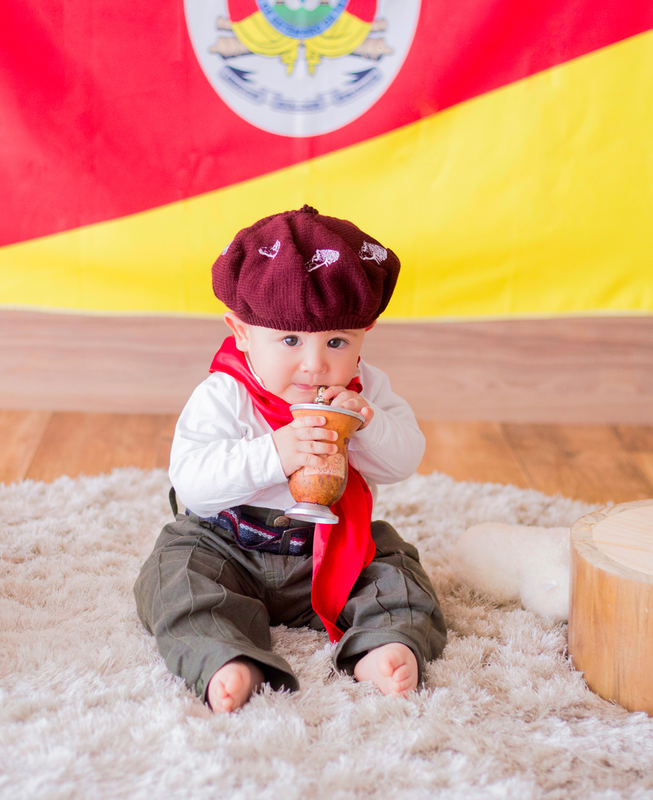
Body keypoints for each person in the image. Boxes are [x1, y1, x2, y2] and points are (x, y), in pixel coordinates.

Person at [134, 205, 446, 713]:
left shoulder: (366, 390)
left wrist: (365, 423)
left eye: (338, 342)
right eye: (290, 340)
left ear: (364, 336)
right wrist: (274, 453)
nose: (315, 363)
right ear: (241, 332)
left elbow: (403, 461)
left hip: (329, 544)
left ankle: (383, 644)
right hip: (228, 542)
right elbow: (192, 483)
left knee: (398, 571)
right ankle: (224, 657)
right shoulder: (224, 394)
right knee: (174, 576)